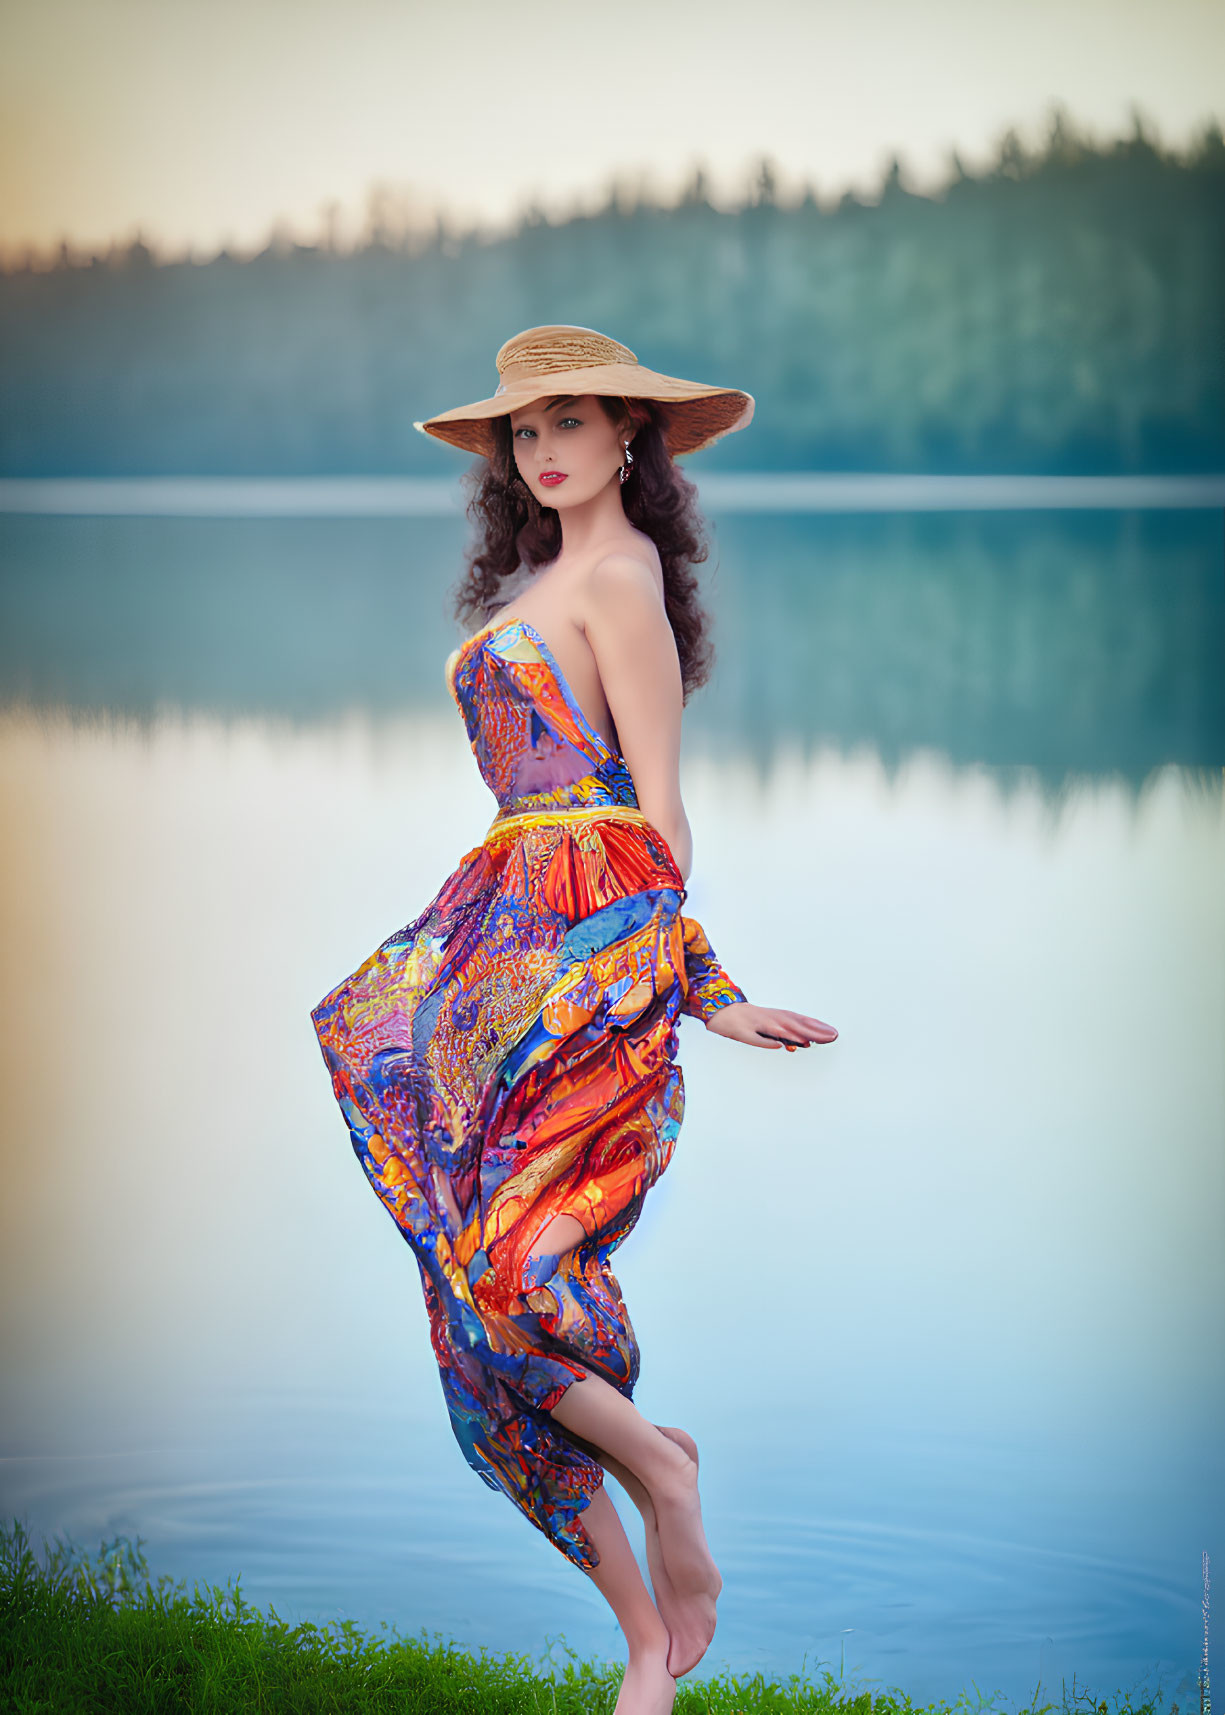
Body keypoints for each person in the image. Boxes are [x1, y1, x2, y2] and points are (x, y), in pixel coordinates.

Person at [311, 325, 837, 1714]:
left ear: (628, 440)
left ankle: (664, 1470)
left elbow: (653, 805)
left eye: (570, 425)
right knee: (462, 1294)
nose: (543, 452)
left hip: (591, 963)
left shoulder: (620, 572)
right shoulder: (540, 574)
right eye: (522, 434)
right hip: (494, 949)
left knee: (507, 1272)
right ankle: (643, 1644)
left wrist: (703, 988)